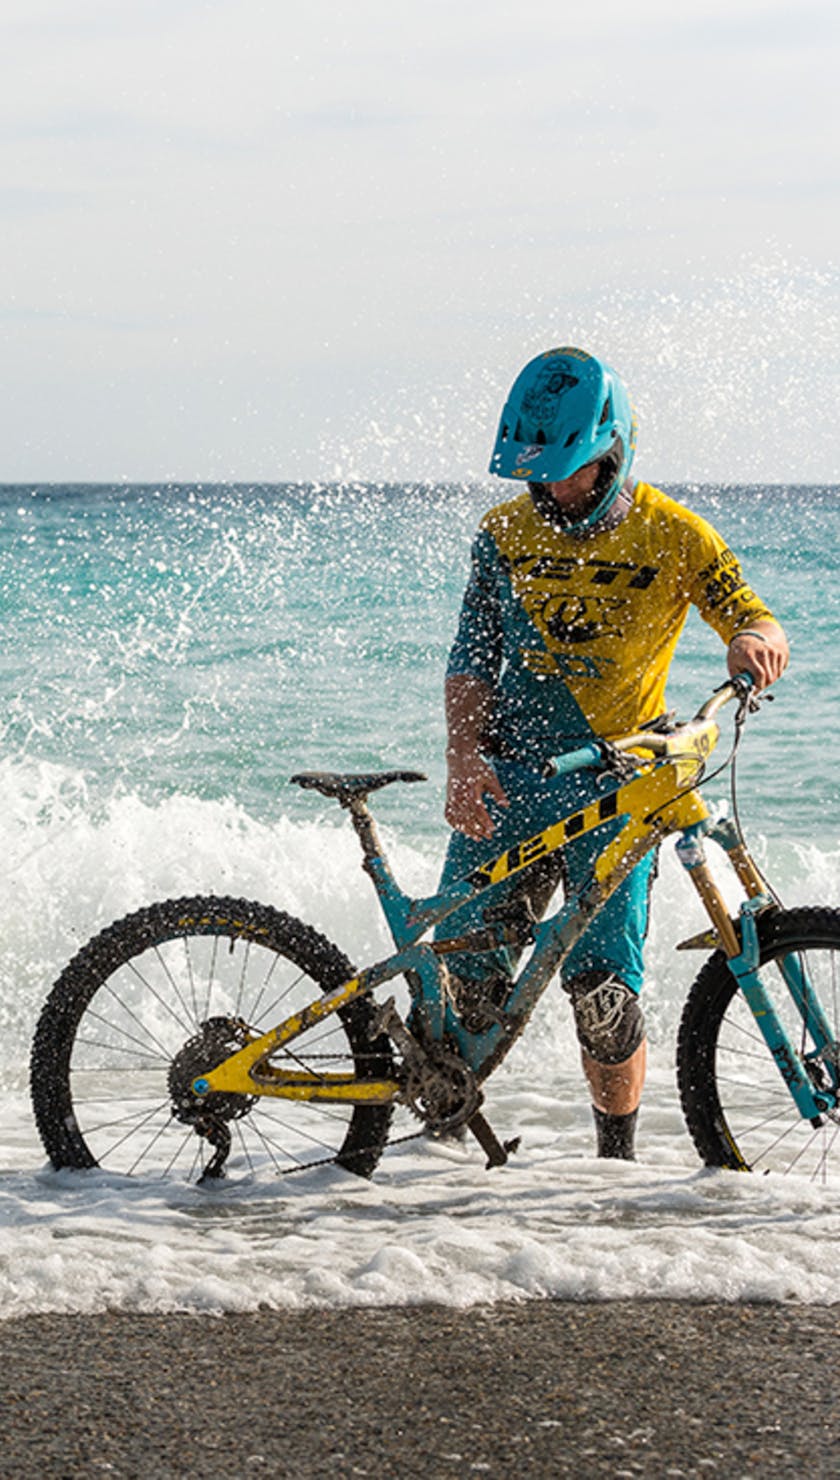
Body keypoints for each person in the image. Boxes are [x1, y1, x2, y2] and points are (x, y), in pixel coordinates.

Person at [438, 346, 788, 1161]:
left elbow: (753, 615)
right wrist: (463, 760)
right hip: (511, 781)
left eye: (572, 472)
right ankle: (432, 1155)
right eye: (540, 475)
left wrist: (755, 641)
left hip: (619, 790)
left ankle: (615, 1169)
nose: (554, 491)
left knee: (604, 998)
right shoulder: (503, 534)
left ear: (614, 451)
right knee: (469, 983)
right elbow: (471, 658)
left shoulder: (675, 535)